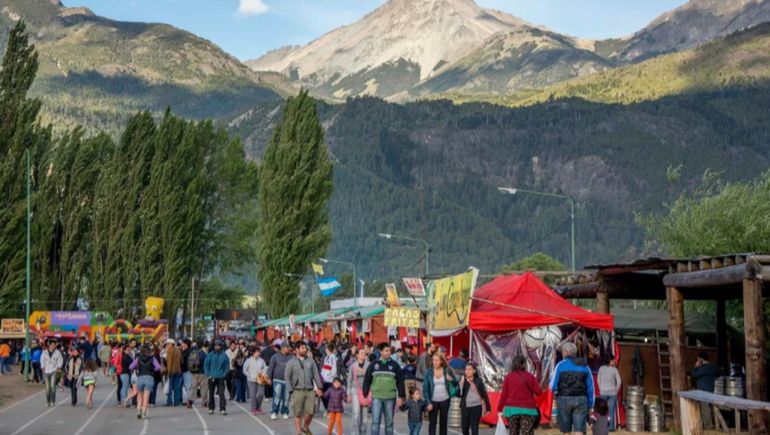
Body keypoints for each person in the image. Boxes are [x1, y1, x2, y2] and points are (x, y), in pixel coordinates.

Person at [551, 342, 595, 435]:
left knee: (566, 431)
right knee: (579, 430)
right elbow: (591, 388)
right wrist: (591, 404)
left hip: (563, 400)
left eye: (563, 352)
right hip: (581, 399)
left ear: (566, 352)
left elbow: (552, 386)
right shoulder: (585, 365)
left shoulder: (560, 365)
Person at [363, 342, 406, 435]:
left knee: (389, 423)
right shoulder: (374, 365)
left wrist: (401, 396)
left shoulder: (395, 365)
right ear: (381, 351)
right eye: (386, 351)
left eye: (389, 351)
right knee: (375, 422)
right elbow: (367, 379)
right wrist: (365, 394)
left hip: (390, 398)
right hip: (376, 397)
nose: (389, 353)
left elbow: (400, 381)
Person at [285, 341, 323, 435]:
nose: (305, 350)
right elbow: (287, 377)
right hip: (297, 390)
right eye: (302, 348)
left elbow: (315, 374)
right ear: (296, 350)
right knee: (297, 413)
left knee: (310, 412)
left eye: (305, 348)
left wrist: (319, 387)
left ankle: (305, 427)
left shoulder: (311, 360)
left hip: (310, 390)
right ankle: (299, 432)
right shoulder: (291, 362)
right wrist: (290, 390)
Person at [498, 356, 542, 435]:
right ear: (525, 364)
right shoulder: (530, 376)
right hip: (528, 410)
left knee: (513, 432)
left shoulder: (508, 377)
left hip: (511, 410)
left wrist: (499, 409)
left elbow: (503, 395)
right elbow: (538, 392)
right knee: (527, 433)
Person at [423, 352, 458, 435]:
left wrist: (451, 380)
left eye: (437, 360)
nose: (435, 362)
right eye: (433, 360)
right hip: (433, 401)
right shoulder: (429, 372)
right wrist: (428, 402)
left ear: (441, 361)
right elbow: (425, 388)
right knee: (432, 423)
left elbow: (456, 383)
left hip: (445, 400)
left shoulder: (447, 370)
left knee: (443, 422)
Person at [129, 344, 162, 419]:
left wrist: (136, 368)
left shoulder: (138, 358)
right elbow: (158, 367)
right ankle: (144, 413)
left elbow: (130, 366)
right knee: (146, 397)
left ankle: (138, 411)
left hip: (140, 377)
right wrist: (152, 370)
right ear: (149, 351)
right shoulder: (152, 358)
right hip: (149, 377)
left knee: (139, 396)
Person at [459, 362, 490, 435]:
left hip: (476, 406)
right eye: (466, 369)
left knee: (474, 427)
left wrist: (488, 408)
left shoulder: (478, 380)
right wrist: (461, 386)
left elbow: (484, 394)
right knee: (464, 427)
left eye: (470, 369)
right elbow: (459, 394)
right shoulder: (463, 380)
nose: (467, 371)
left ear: (474, 371)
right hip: (465, 407)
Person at [347, 347, 370, 435]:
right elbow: (349, 380)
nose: (363, 355)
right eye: (361, 353)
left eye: (364, 353)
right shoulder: (353, 366)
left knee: (364, 416)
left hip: (366, 392)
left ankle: (363, 432)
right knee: (356, 413)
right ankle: (354, 433)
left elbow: (371, 377)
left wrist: (363, 371)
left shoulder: (369, 365)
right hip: (355, 390)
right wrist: (348, 394)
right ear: (357, 355)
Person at [267, 341, 293, 420]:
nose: (288, 349)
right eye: (287, 347)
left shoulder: (292, 357)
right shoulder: (275, 356)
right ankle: (274, 412)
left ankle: (285, 412)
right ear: (282, 348)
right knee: (277, 396)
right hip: (277, 379)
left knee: (286, 398)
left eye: (289, 347)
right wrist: (268, 378)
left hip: (288, 380)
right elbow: (270, 367)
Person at [691, 351, 716, 430]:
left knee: (705, 409)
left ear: (701, 359)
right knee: (707, 409)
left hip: (703, 391)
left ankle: (707, 426)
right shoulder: (712, 367)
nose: (697, 361)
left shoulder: (704, 368)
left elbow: (694, 374)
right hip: (710, 390)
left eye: (698, 359)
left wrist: (695, 366)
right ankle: (708, 425)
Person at [204, 340, 230, 415]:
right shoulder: (210, 355)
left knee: (221, 393)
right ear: (214, 346)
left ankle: (222, 409)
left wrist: (224, 374)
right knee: (211, 393)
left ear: (221, 346)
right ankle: (211, 408)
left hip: (221, 377)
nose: (217, 346)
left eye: (218, 345)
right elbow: (206, 365)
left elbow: (227, 366)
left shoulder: (224, 355)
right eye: (216, 345)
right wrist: (208, 374)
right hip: (211, 377)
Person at [597, 357, 621, 431]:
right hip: (612, 392)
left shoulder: (601, 368)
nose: (614, 361)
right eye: (613, 360)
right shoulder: (615, 370)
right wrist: (616, 390)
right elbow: (619, 381)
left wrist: (600, 388)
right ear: (610, 361)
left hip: (603, 392)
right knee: (611, 410)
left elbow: (598, 380)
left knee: (602, 410)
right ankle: (611, 427)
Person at [243, 346, 267, 415]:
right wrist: (250, 375)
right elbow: (244, 370)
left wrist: (263, 373)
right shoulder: (248, 360)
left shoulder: (261, 360)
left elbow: (265, 368)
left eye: (259, 352)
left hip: (260, 379)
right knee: (253, 395)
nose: (258, 353)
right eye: (257, 352)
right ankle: (253, 408)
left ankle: (258, 407)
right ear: (253, 353)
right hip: (251, 380)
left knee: (261, 394)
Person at [41, 339, 64, 406]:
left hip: (53, 371)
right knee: (47, 388)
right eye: (52, 345)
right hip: (46, 371)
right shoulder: (44, 352)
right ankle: (47, 401)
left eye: (54, 345)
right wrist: (43, 367)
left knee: (52, 386)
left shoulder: (58, 352)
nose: (53, 346)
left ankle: (52, 401)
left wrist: (58, 367)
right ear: (49, 345)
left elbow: (60, 361)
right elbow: (42, 360)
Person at [188, 340, 208, 408]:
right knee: (204, 388)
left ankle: (190, 400)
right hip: (202, 373)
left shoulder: (193, 352)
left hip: (194, 373)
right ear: (203, 345)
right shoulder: (203, 353)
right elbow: (206, 363)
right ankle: (204, 402)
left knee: (193, 387)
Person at [320, 343, 339, 413]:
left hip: (330, 381)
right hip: (324, 380)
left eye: (326, 348)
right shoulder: (326, 357)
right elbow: (324, 368)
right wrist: (321, 376)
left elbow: (334, 370)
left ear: (328, 349)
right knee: (322, 395)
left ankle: (330, 409)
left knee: (328, 396)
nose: (325, 350)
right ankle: (328, 409)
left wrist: (329, 376)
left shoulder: (333, 358)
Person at [165, 339, 183, 406]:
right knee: (176, 387)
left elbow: (169, 362)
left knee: (170, 387)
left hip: (171, 371)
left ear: (170, 344)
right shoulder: (178, 351)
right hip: (178, 371)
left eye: (167, 344)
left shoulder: (170, 351)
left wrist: (169, 372)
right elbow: (182, 361)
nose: (167, 345)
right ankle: (177, 402)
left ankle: (169, 401)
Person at [180, 339, 193, 408]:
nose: (182, 344)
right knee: (188, 386)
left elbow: (183, 362)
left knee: (188, 386)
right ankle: (189, 400)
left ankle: (189, 401)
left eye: (182, 343)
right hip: (190, 370)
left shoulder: (186, 352)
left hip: (186, 370)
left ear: (186, 344)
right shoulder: (192, 351)